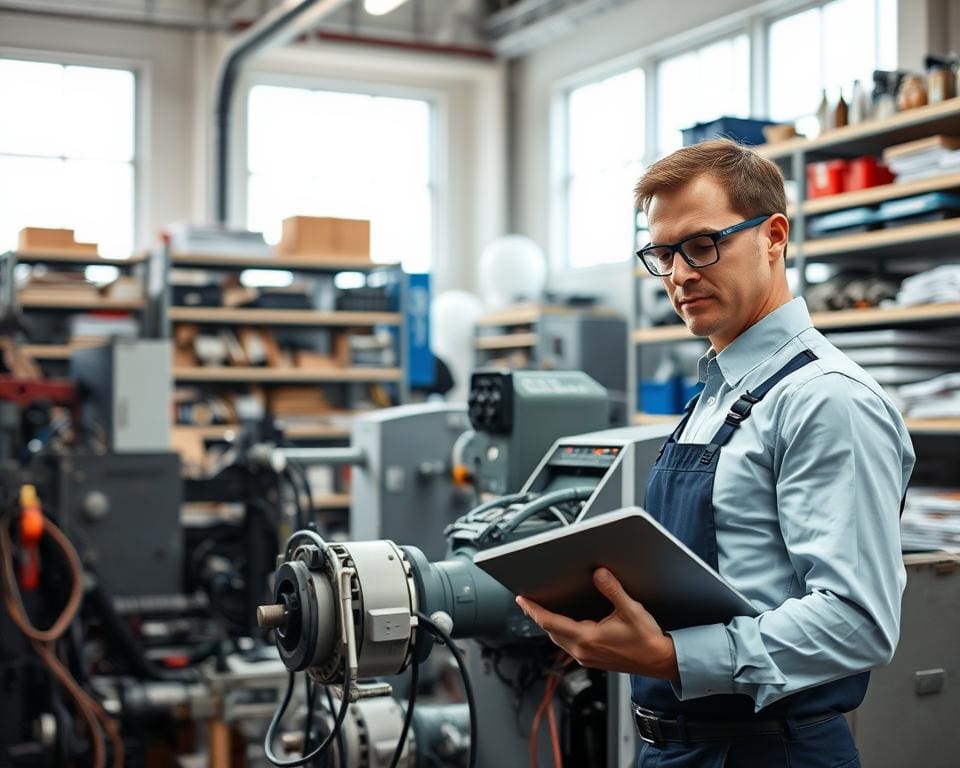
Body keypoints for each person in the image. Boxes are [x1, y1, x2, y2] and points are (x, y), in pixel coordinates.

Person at [516, 139, 915, 767]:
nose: (678, 274)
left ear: (774, 236)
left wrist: (670, 658)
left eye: (702, 245)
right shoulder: (714, 395)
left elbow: (856, 622)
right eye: (663, 254)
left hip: (768, 752)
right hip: (674, 745)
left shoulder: (824, 400)